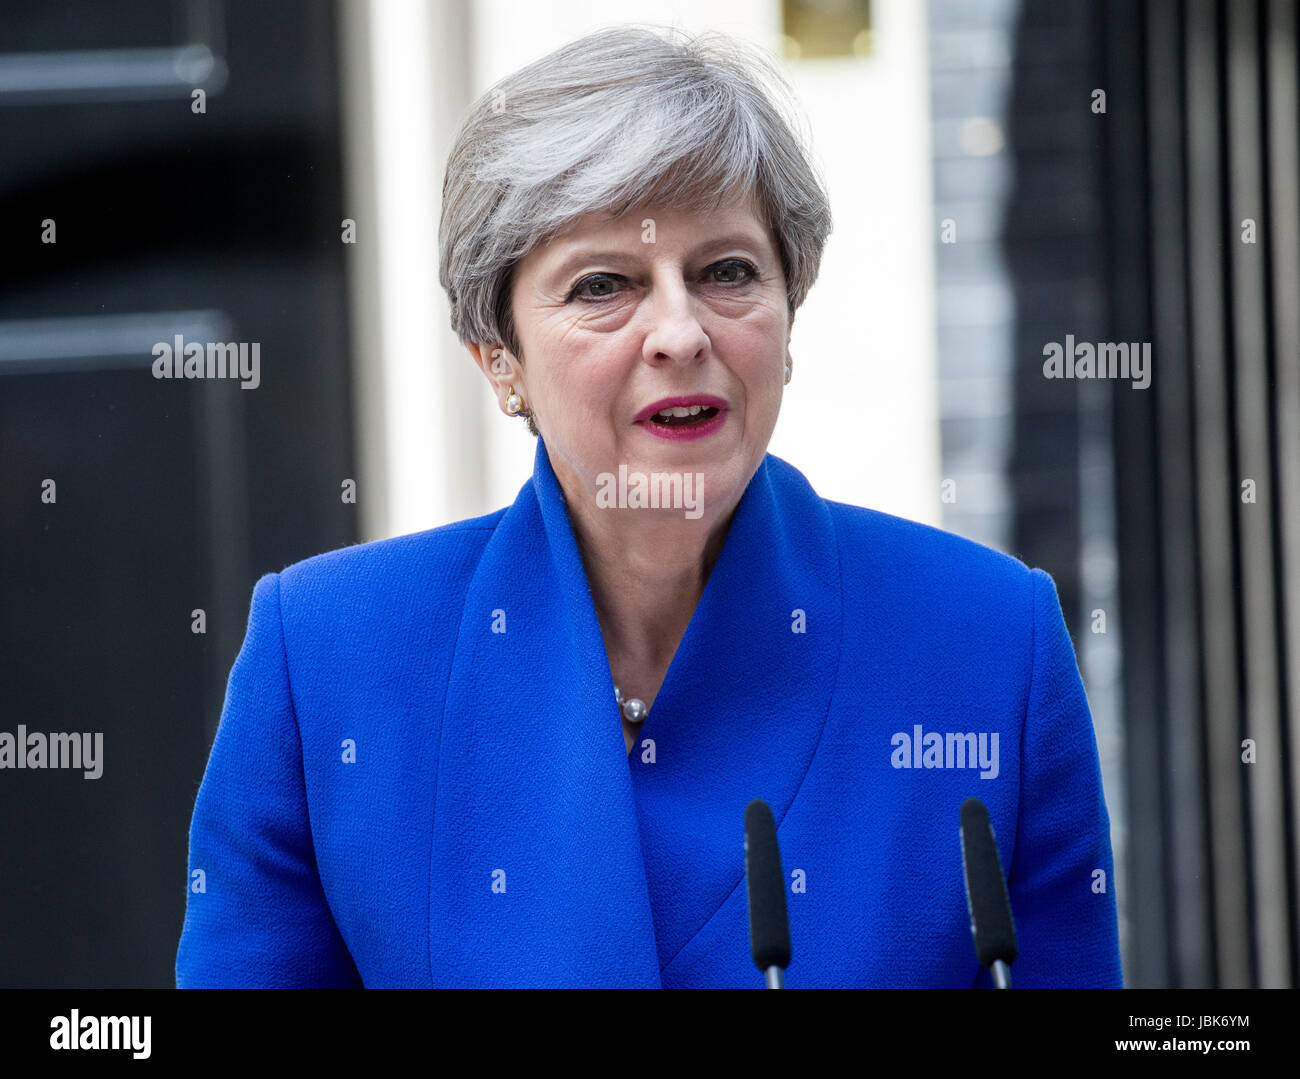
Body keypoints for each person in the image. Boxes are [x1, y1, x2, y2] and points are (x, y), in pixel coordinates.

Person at [176, 24, 1123, 988]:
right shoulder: (328, 657)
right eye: (604, 285)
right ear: (499, 361)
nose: (679, 330)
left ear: (788, 317)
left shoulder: (992, 641)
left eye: (726, 272)